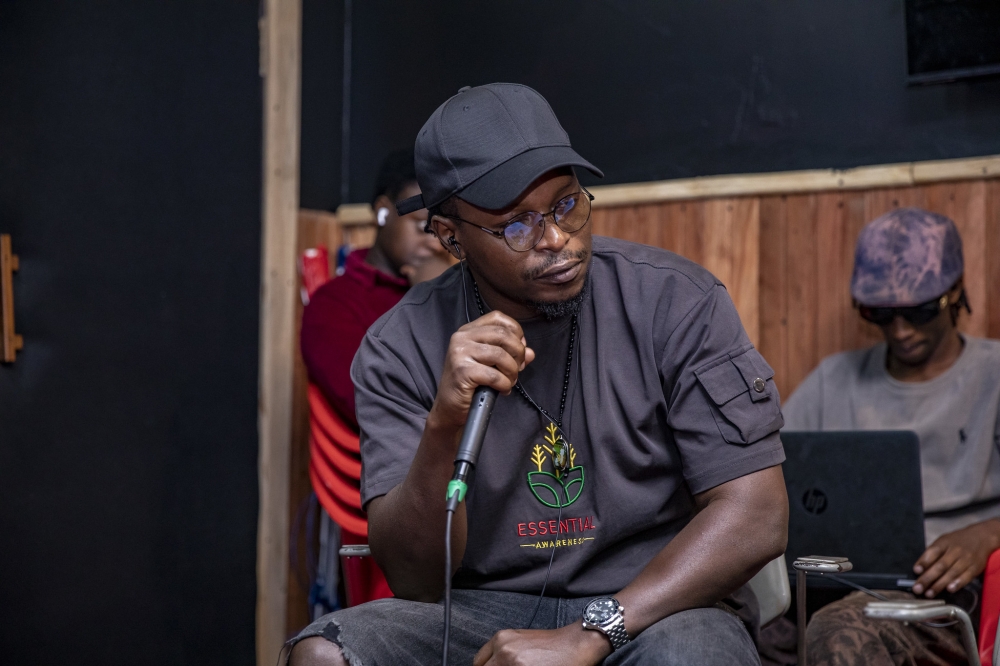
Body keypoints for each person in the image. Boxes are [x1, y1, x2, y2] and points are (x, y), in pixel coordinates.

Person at [287, 83, 788, 666]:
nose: (556, 239)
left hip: (655, 605)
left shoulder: (674, 301)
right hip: (482, 608)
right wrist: (444, 423)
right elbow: (416, 579)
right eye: (516, 225)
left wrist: (592, 632)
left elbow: (757, 515)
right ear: (450, 237)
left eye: (567, 204)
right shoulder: (398, 346)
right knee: (325, 656)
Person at [782, 208, 1000, 665]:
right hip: (828, 579)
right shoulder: (833, 380)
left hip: (948, 592)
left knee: (841, 632)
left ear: (956, 290)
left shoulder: (993, 375)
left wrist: (988, 534)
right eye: (879, 312)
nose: (900, 330)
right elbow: (766, 477)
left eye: (919, 310)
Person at [301, 149, 453, 432]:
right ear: (383, 212)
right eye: (423, 227)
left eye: (444, 232)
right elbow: (376, 408)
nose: (435, 245)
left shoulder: (455, 284)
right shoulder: (333, 305)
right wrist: (435, 300)